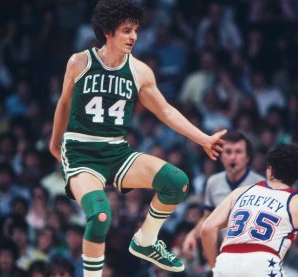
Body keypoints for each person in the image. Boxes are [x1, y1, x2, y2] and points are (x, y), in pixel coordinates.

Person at [49, 0, 226, 275]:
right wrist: (54, 141)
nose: (134, 36)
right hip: (81, 152)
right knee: (101, 216)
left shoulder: (140, 71)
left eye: (136, 30)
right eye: (126, 30)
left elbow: (165, 110)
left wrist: (203, 138)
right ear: (108, 31)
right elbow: (63, 103)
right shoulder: (80, 61)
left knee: (176, 182)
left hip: (117, 152)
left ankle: (145, 241)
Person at [201, 143, 298, 276]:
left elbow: (207, 228)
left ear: (270, 169)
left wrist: (215, 265)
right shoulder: (295, 201)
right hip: (263, 263)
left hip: (226, 261)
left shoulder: (240, 192)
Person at [182, 131, 264, 260]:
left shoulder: (261, 185)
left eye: (238, 152)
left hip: (253, 254)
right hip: (224, 253)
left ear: (248, 157)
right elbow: (207, 217)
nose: (232, 157)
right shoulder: (213, 182)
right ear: (221, 157)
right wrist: (192, 235)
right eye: (228, 152)